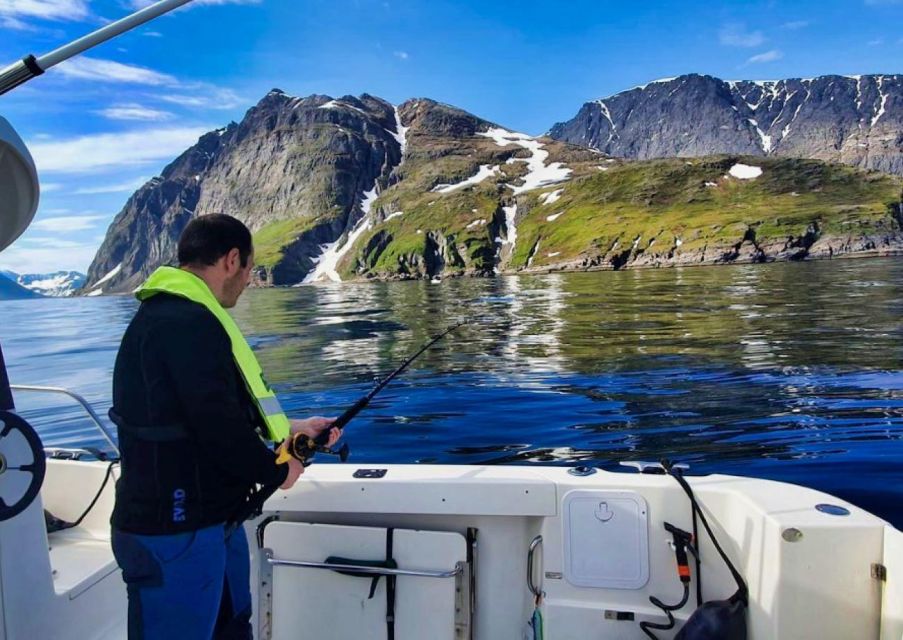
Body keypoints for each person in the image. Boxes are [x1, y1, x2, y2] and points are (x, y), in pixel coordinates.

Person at [109, 213, 339, 639]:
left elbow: (212, 409)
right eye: (250, 268)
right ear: (232, 260)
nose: (249, 279)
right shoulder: (185, 323)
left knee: (231, 628)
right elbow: (216, 426)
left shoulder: (180, 318)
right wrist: (276, 470)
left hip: (210, 522)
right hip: (174, 529)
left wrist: (293, 428)